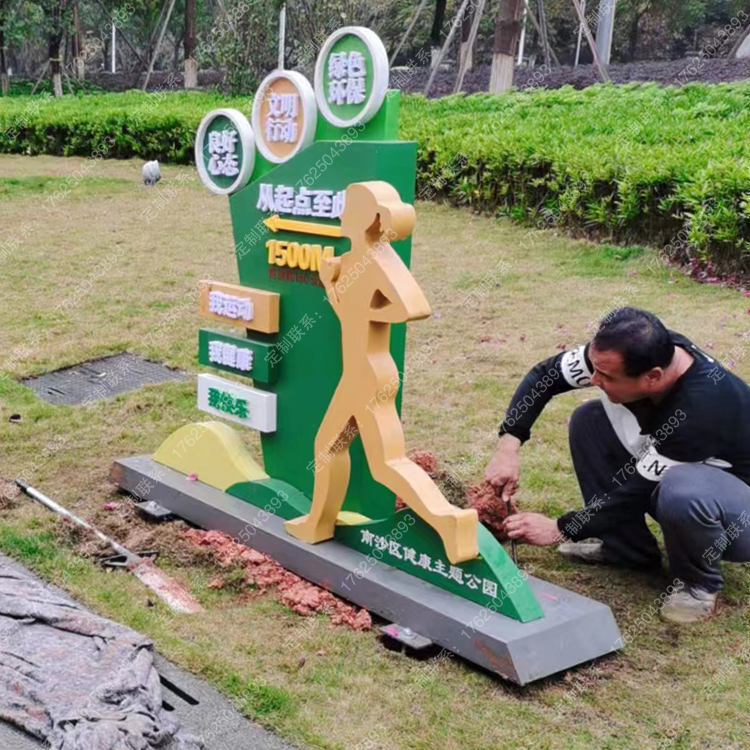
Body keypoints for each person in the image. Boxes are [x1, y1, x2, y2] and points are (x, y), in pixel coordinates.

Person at [485, 307, 750, 624]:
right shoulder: (630, 351)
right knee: (590, 420)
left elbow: (637, 493)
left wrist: (560, 529)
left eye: (607, 377)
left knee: (681, 488)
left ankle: (698, 584)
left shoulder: (702, 409)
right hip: (693, 477)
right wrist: (509, 444)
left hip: (739, 515)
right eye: (595, 369)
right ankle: (626, 550)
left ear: (653, 377)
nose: (594, 379)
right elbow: (545, 376)